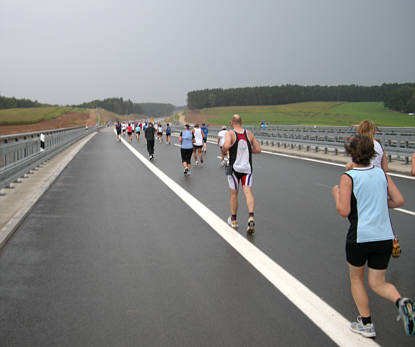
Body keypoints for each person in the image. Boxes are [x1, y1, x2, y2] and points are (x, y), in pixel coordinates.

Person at [332, 135, 414, 338]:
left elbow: (344, 211)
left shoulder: (348, 177)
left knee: (356, 279)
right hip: (384, 236)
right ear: (372, 152)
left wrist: (336, 193)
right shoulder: (381, 173)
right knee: (378, 282)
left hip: (360, 236)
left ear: (351, 152)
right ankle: (400, 301)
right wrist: (378, 203)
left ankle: (366, 324)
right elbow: (399, 200)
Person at [221, 114, 261, 233]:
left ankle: (233, 220)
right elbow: (258, 149)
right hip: (247, 169)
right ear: (241, 122)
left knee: (234, 194)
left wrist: (224, 149)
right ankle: (251, 217)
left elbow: (227, 146)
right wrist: (248, 152)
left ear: (231, 122)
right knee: (248, 191)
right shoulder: (249, 134)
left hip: (234, 168)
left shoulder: (230, 133)